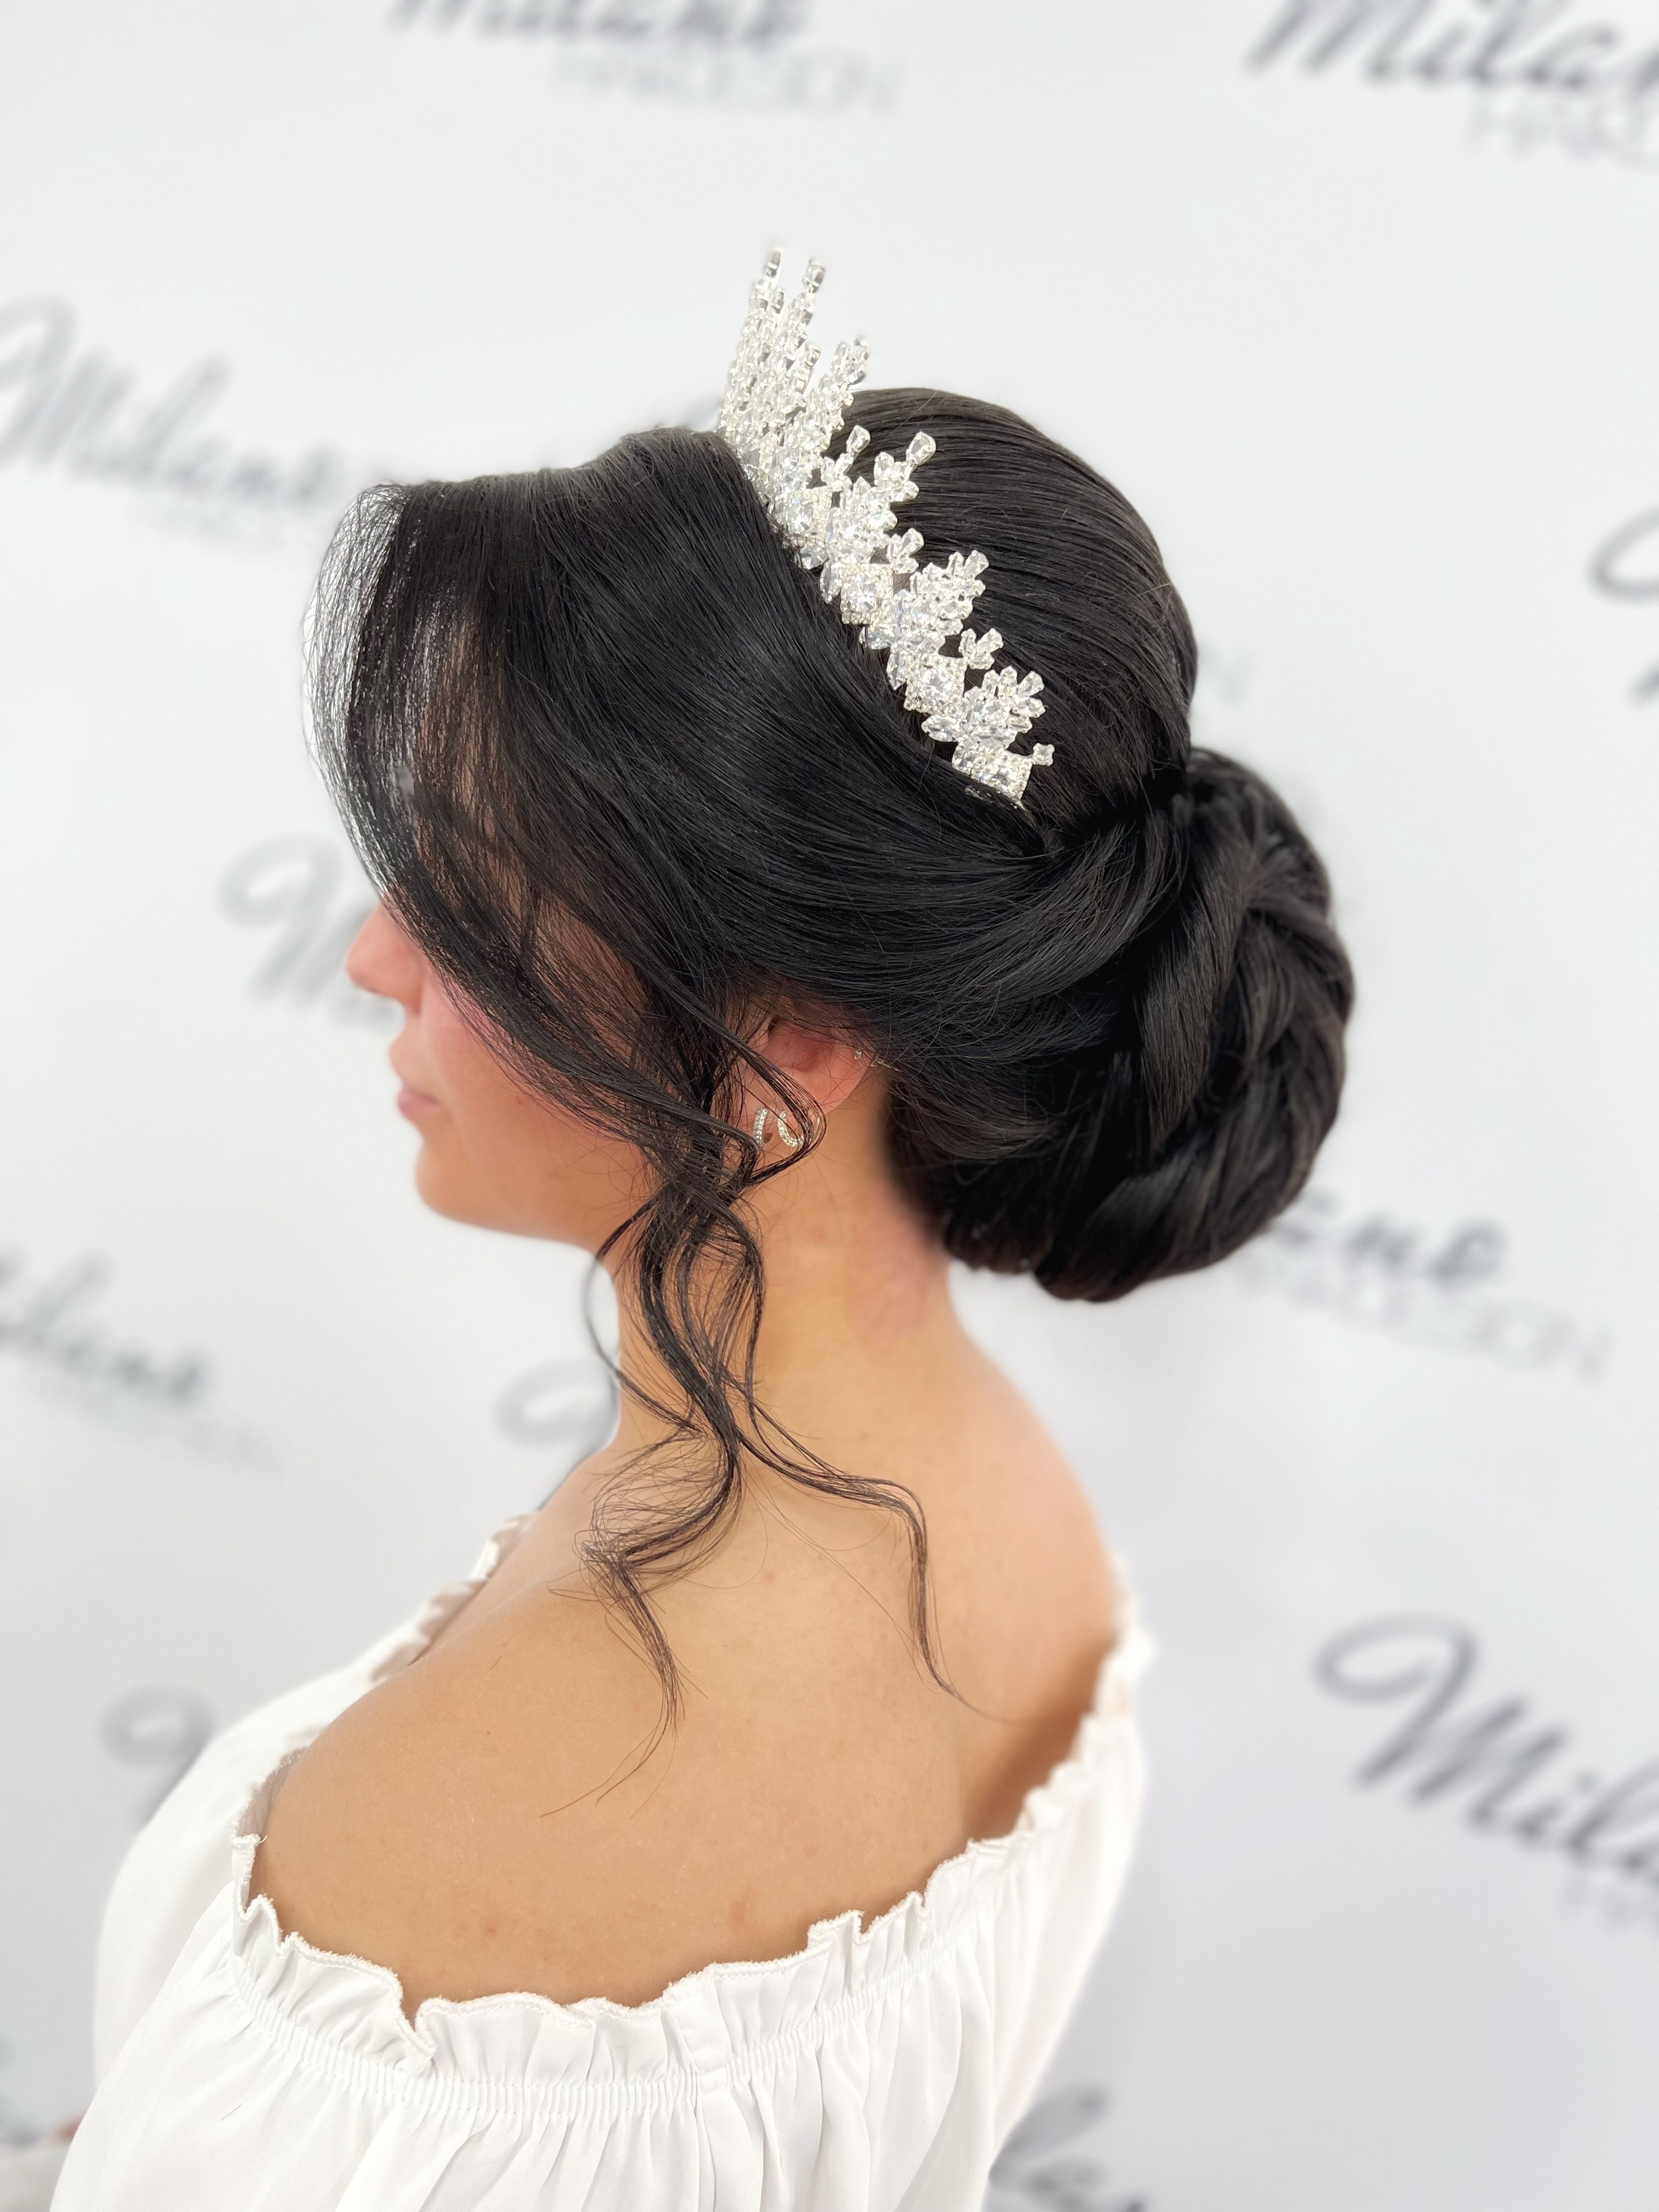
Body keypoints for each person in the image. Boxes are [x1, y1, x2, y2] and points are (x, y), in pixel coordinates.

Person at [53, 255, 1353, 2209]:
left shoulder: (471, 1854)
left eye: (465, 900)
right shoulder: (1014, 1510)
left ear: (789, 1039)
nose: (372, 956)